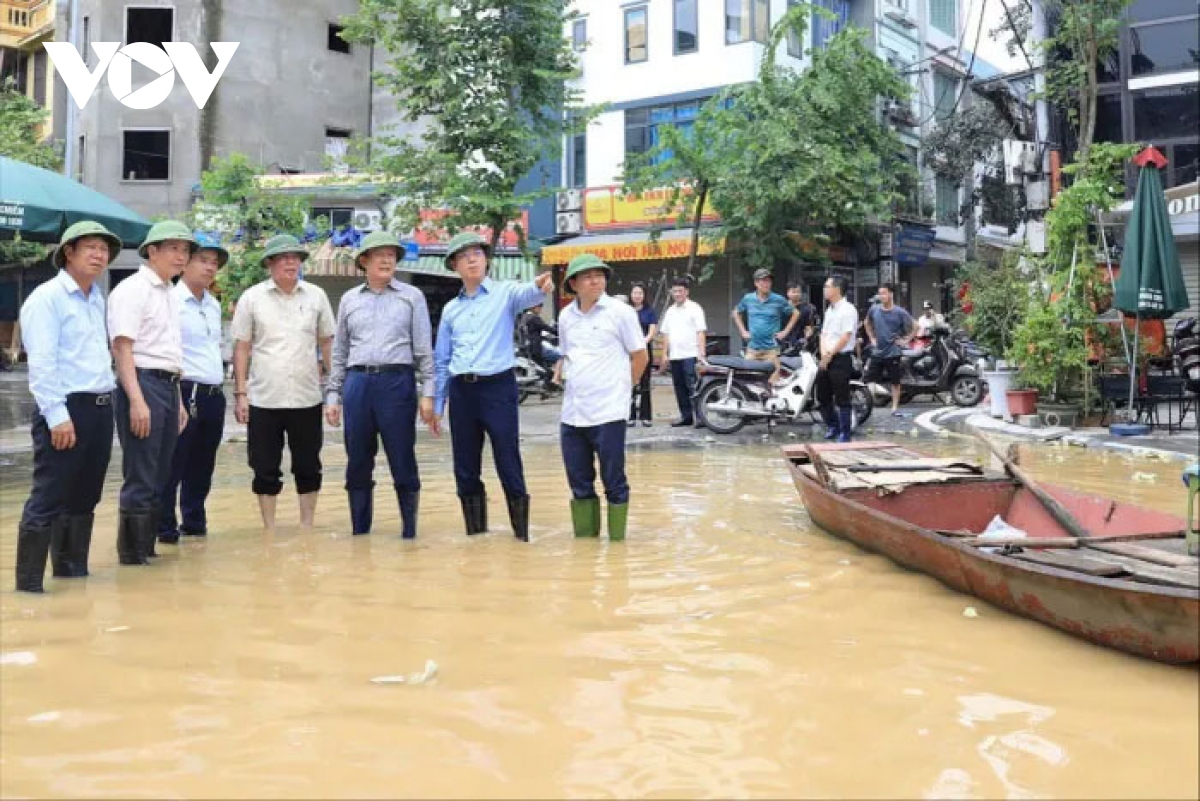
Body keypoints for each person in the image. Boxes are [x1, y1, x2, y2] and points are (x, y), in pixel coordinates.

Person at [14, 222, 121, 592]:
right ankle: (28, 588)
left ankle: (72, 575)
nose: (98, 255)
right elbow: (42, 364)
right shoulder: (47, 298)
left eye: (104, 250)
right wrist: (57, 416)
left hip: (100, 407)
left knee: (85, 496)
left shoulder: (95, 298)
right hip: (65, 408)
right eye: (89, 247)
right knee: (49, 496)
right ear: (68, 253)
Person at [433, 232, 554, 541]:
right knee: (465, 467)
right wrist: (437, 405)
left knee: (508, 459)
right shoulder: (450, 310)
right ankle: (476, 537)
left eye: (477, 253)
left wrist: (540, 286)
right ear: (455, 266)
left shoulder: (505, 294)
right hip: (462, 392)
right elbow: (442, 360)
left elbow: (531, 293)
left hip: (498, 389)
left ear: (487, 260)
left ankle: (521, 538)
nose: (472, 259)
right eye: (464, 256)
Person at [325, 231, 436, 538]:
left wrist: (428, 392)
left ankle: (409, 533)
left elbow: (424, 348)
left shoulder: (411, 297)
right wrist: (333, 394)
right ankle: (360, 533)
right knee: (358, 460)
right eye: (380, 254)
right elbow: (340, 351)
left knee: (402, 458)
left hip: (397, 383)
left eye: (392, 255)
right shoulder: (349, 299)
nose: (387, 260)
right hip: (357, 383)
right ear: (365, 261)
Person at [231, 234, 336, 531]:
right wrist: (241, 393)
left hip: (306, 397)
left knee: (308, 466)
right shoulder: (252, 298)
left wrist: (335, 391)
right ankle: (269, 529)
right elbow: (242, 346)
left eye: (296, 257)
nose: (291, 262)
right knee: (264, 467)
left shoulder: (316, 296)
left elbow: (327, 343)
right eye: (283, 257)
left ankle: (307, 527)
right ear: (270, 263)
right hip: (264, 398)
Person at [108, 221, 193, 565]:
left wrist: (179, 401)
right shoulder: (132, 290)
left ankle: (146, 550)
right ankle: (131, 557)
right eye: (173, 248)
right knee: (141, 473)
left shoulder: (171, 292)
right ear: (152, 251)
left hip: (168, 386)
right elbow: (122, 348)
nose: (180, 255)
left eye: (185, 249)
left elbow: (169, 350)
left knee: (160, 472)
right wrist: (137, 400)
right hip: (141, 383)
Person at [555, 254, 648, 541]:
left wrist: (624, 389)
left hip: (609, 411)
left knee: (614, 481)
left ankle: (617, 547)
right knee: (579, 482)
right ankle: (586, 547)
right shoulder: (565, 317)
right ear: (574, 283)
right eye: (587, 276)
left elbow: (640, 356)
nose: (595, 280)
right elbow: (567, 355)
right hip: (572, 412)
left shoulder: (620, 312)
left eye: (599, 275)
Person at [157, 238, 229, 544]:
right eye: (203, 260)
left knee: (203, 463)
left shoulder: (213, 305)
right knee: (174, 462)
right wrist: (176, 398)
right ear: (185, 263)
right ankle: (164, 527)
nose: (210, 267)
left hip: (213, 392)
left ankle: (194, 521)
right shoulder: (170, 301)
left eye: (215, 262)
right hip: (183, 390)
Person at [656, 277, 707, 427]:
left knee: (693, 387)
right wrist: (664, 354)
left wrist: (701, 353)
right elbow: (665, 334)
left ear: (686, 292)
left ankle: (700, 417)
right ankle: (686, 416)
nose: (677, 294)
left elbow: (701, 332)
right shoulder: (670, 311)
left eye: (680, 291)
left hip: (691, 354)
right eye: (675, 291)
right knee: (679, 387)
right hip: (675, 355)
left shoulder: (695, 308)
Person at [733, 268, 799, 383]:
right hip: (752, 349)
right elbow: (735, 312)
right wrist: (743, 331)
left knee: (773, 384)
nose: (767, 283)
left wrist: (785, 332)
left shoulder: (778, 299)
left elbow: (796, 313)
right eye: (763, 280)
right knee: (747, 383)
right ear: (756, 283)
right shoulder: (748, 299)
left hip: (771, 350)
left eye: (768, 281)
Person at [815, 275, 859, 443]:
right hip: (826, 357)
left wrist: (830, 354)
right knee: (822, 396)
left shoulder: (848, 310)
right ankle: (833, 425)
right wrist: (824, 354)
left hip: (840, 358)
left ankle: (845, 433)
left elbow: (846, 336)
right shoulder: (829, 310)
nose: (825, 289)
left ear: (837, 289)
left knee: (842, 398)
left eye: (827, 286)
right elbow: (823, 334)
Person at [864, 284, 915, 416]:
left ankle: (894, 408)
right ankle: (868, 405)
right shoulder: (874, 309)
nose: (882, 296)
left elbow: (916, 326)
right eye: (880, 293)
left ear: (891, 294)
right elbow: (866, 323)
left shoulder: (900, 312)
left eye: (884, 293)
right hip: (877, 351)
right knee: (869, 379)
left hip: (893, 352)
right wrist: (872, 338)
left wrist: (905, 340)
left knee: (895, 382)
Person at [628, 283, 658, 427]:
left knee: (645, 383)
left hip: (645, 350)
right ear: (631, 294)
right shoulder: (626, 311)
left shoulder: (649, 311)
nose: (637, 296)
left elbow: (652, 330)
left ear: (644, 295)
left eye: (640, 293)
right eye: (635, 293)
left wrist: (642, 342)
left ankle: (646, 416)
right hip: (628, 352)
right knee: (629, 383)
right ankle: (630, 416)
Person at [520, 304, 561, 368]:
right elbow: (546, 327)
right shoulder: (534, 318)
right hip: (536, 348)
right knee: (560, 356)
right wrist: (560, 333)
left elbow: (532, 331)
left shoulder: (524, 317)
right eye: (539, 306)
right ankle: (557, 375)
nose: (541, 309)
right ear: (533, 307)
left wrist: (545, 336)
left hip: (528, 348)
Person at [782, 282, 818, 352]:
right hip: (782, 344)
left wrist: (807, 338)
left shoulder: (808, 308)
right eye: (793, 292)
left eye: (798, 292)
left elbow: (809, 327)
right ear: (788, 292)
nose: (796, 294)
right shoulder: (781, 308)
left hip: (799, 344)